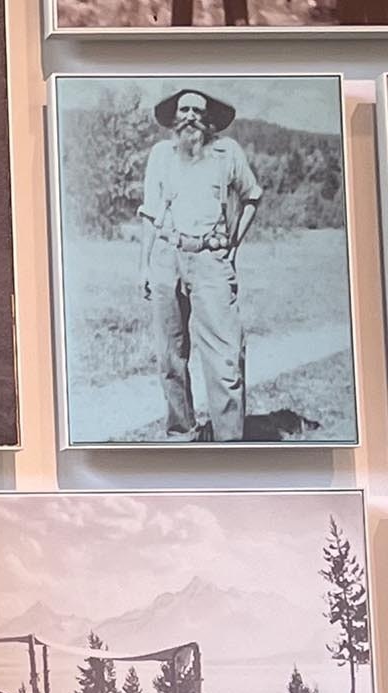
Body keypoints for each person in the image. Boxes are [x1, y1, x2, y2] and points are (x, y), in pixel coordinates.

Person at [138, 88, 263, 441]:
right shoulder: (161, 154)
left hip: (211, 261)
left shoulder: (227, 153)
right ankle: (182, 433)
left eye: (197, 110)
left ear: (208, 120)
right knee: (169, 356)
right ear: (174, 118)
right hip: (166, 257)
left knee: (225, 358)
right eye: (184, 110)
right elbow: (149, 213)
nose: (190, 116)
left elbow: (253, 196)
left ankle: (229, 442)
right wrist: (144, 266)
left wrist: (233, 247)